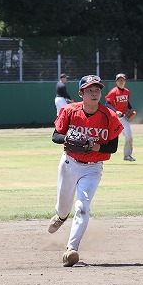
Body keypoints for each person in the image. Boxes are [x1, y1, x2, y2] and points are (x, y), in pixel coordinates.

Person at [48, 75, 124, 267]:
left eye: (97, 90)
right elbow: (55, 136)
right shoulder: (69, 111)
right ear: (81, 93)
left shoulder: (109, 115)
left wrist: (93, 146)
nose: (94, 93)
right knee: (63, 208)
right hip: (69, 163)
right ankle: (61, 217)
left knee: (82, 206)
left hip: (93, 168)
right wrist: (69, 139)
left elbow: (112, 147)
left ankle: (71, 250)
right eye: (90, 90)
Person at [104, 73, 136, 161]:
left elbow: (126, 102)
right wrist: (115, 111)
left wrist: (131, 109)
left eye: (122, 80)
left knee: (129, 135)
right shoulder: (113, 92)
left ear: (125, 81)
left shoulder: (127, 91)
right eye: (119, 80)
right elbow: (107, 104)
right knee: (106, 136)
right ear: (116, 82)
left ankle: (127, 155)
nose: (121, 81)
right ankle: (100, 154)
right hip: (113, 118)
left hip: (122, 118)